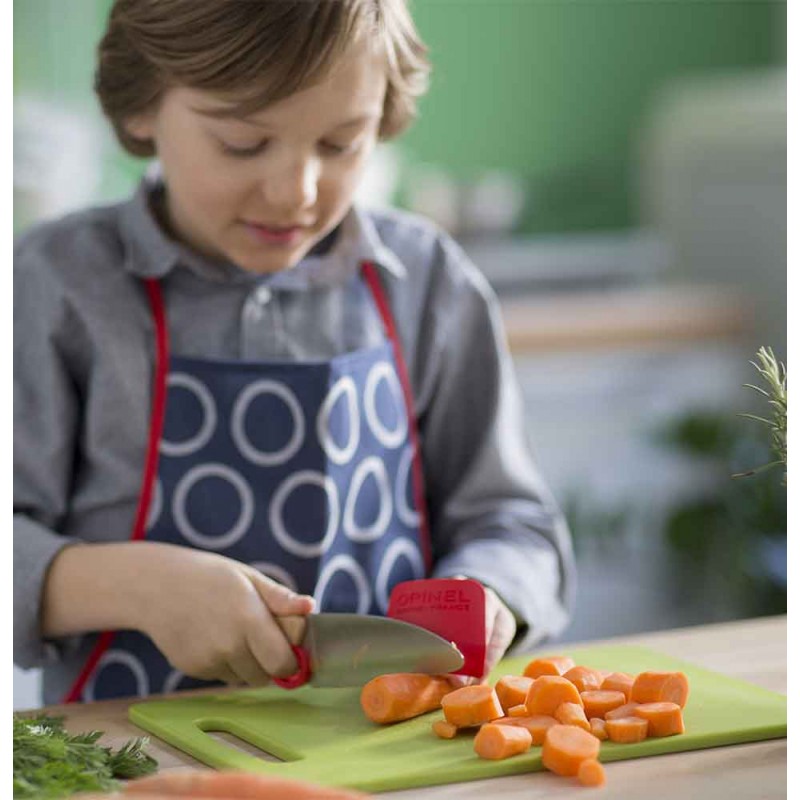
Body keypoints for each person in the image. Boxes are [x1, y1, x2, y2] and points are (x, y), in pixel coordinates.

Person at [14, 0, 575, 706]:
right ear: (142, 107)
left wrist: (490, 595)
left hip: (385, 750)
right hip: (129, 758)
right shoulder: (55, 285)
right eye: (244, 145)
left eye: (341, 144)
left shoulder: (429, 283)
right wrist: (136, 584)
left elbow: (515, 524)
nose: (295, 193)